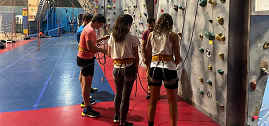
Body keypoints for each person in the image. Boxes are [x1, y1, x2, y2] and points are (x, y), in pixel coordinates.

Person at [144, 13, 181, 126]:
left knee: (153, 100)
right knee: (172, 101)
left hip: (155, 67)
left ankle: (151, 124)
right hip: (169, 67)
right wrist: (172, 63)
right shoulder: (173, 35)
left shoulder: (151, 35)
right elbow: (178, 58)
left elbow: (148, 55)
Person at [107, 14, 139, 126]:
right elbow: (136, 56)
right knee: (126, 97)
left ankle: (116, 117)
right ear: (129, 25)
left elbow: (109, 54)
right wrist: (136, 69)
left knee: (118, 94)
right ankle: (123, 122)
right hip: (129, 67)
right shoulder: (133, 37)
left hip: (116, 68)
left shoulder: (112, 36)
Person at [77, 13, 110, 117]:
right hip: (87, 59)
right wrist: (104, 50)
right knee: (87, 85)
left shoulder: (88, 27)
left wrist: (101, 39)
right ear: (96, 22)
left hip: (82, 57)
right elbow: (91, 48)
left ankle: (85, 101)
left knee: (83, 81)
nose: (100, 27)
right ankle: (87, 109)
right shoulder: (90, 31)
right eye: (100, 25)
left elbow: (90, 43)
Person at [76, 13, 98, 101]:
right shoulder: (86, 30)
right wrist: (103, 50)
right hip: (85, 55)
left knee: (83, 73)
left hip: (83, 54)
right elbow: (89, 46)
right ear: (86, 21)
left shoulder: (84, 29)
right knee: (85, 79)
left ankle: (86, 90)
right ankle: (85, 94)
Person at [141, 17, 155, 99]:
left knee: (156, 75)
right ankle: (150, 91)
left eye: (152, 26)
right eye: (149, 26)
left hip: (157, 58)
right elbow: (143, 46)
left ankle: (156, 91)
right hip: (149, 58)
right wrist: (144, 57)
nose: (150, 28)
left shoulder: (158, 33)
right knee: (149, 75)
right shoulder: (146, 33)